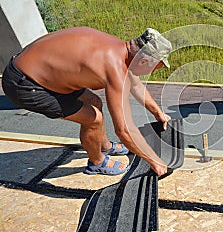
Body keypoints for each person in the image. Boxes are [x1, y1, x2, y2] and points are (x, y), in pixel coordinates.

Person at [2, 27, 172, 176]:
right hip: (25, 85)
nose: (151, 72)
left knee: (94, 101)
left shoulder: (118, 48)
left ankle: (104, 145)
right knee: (93, 119)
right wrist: (154, 161)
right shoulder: (114, 68)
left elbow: (135, 85)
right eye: (155, 67)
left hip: (36, 72)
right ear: (143, 60)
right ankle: (97, 162)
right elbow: (124, 130)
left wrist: (158, 113)